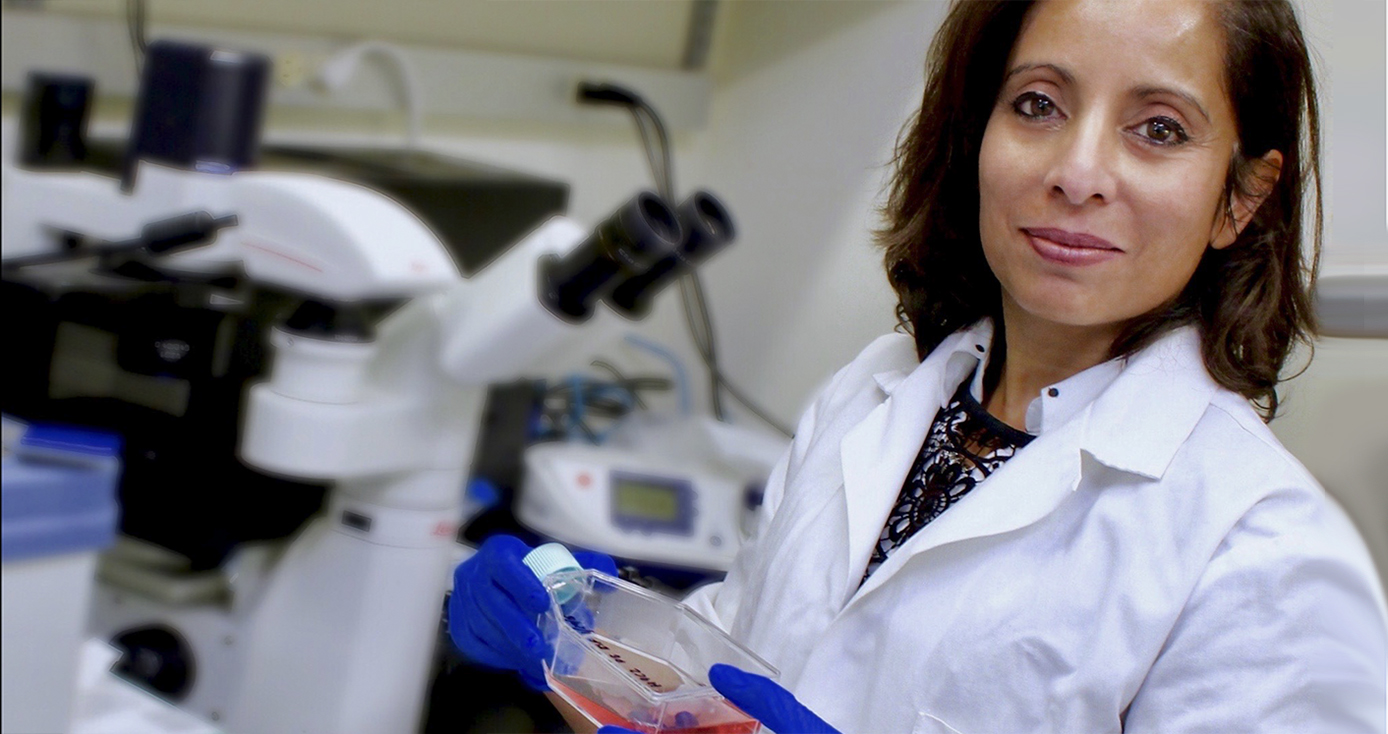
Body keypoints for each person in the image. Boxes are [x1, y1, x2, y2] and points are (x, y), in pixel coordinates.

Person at [448, 0, 1388, 731]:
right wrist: (584, 644)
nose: (1077, 171)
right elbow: (720, 682)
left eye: (1159, 130)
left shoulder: (1265, 554)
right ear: (975, 134)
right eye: (1037, 106)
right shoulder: (872, 394)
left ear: (1241, 200)